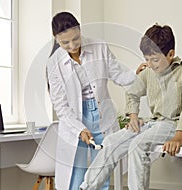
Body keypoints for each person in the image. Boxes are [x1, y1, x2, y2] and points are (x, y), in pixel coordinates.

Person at [80, 24, 182, 190]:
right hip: (153, 123)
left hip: (174, 125)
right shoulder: (149, 72)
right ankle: (86, 187)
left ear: (170, 54)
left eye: (155, 59)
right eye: (147, 59)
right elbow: (132, 92)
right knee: (111, 141)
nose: (150, 64)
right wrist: (133, 116)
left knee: (137, 145)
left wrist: (179, 137)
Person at [46, 12, 136, 190]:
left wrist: (138, 74)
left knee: (101, 170)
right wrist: (79, 129)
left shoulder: (99, 46)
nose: (72, 45)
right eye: (65, 42)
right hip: (74, 119)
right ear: (56, 40)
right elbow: (61, 106)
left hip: (102, 113)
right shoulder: (53, 64)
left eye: (76, 38)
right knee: (75, 173)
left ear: (80, 30)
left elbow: (118, 74)